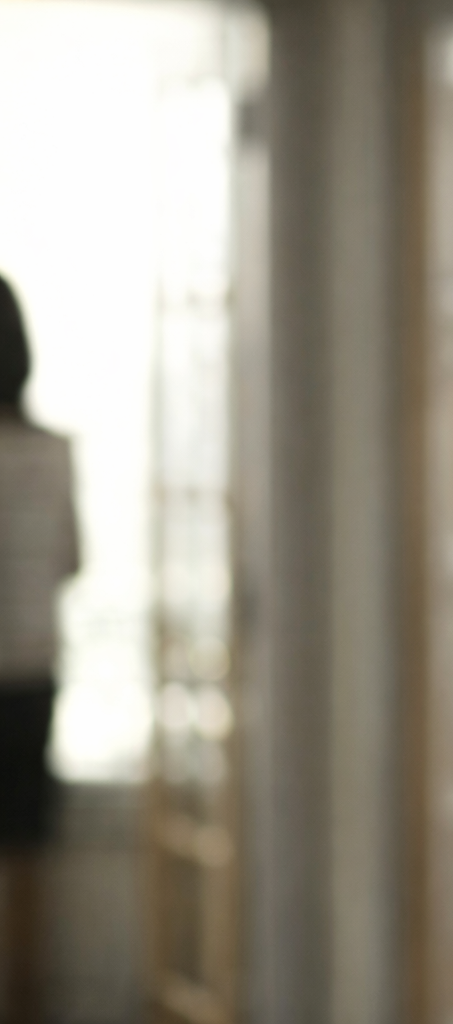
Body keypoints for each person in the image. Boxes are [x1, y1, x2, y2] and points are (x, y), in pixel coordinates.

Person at [0, 273, 79, 1024]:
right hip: (31, 672)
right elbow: (70, 560)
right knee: (28, 859)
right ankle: (29, 1002)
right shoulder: (52, 453)